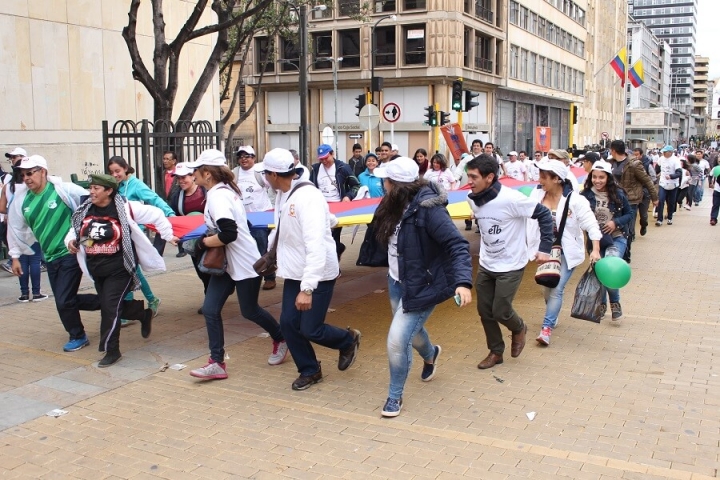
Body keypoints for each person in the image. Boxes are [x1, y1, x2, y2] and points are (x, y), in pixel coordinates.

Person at [371, 157, 472, 417]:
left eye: (385, 180)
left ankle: (394, 396)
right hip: (397, 281)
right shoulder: (391, 204)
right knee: (412, 334)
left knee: (396, 340)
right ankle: (431, 353)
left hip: (424, 285)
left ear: (395, 185)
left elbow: (457, 245)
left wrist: (462, 282)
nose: (382, 184)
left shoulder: (429, 209)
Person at [260, 148, 361, 391]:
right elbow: (324, 221)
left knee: (310, 328)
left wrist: (307, 288)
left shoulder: (308, 197)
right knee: (288, 323)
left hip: (318, 274)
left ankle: (347, 340)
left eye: (265, 173)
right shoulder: (284, 195)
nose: (263, 177)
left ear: (273, 174)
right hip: (295, 270)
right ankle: (310, 369)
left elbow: (315, 245)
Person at [186, 149, 289, 381]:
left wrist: (201, 243)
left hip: (244, 263)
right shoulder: (221, 192)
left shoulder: (218, 196)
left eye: (196, 170)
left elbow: (229, 233)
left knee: (249, 310)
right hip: (226, 264)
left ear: (207, 174)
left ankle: (281, 338)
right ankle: (216, 362)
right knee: (211, 310)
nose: (193, 174)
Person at [66, 174, 178, 367]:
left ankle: (112, 350)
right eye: (90, 188)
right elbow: (83, 234)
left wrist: (168, 235)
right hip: (96, 269)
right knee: (111, 305)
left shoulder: (125, 208)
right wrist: (72, 242)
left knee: (109, 309)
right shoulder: (84, 211)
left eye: (96, 188)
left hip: (120, 268)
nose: (91, 192)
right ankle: (142, 314)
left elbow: (157, 214)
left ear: (109, 191)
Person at [465, 154, 554, 369]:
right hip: (487, 263)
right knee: (485, 311)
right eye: (468, 176)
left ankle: (519, 327)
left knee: (501, 310)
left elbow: (544, 215)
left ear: (490, 177)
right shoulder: (472, 198)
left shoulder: (511, 198)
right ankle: (496, 352)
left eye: (474, 177)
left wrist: (544, 248)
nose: (469, 181)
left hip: (511, 264)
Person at [7, 155, 101, 352]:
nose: (26, 178)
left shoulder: (63, 190)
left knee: (63, 300)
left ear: (43, 171)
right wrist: (15, 256)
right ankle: (118, 304)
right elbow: (15, 228)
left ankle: (78, 335)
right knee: (66, 299)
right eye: (23, 174)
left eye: (30, 173)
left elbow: (90, 201)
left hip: (70, 252)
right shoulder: (22, 200)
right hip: (49, 256)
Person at [526, 161, 601, 345]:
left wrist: (596, 250)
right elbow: (523, 215)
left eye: (544, 176)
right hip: (544, 250)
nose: (540, 179)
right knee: (546, 287)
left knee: (556, 289)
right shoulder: (536, 194)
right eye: (540, 175)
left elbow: (591, 225)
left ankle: (546, 328)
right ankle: (553, 311)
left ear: (557, 179)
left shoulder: (575, 200)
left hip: (567, 252)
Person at [108, 156, 175, 318]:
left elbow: (153, 198)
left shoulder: (135, 185)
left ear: (125, 168)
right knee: (131, 270)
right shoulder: (113, 186)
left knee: (129, 270)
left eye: (117, 171)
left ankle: (128, 309)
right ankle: (147, 301)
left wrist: (170, 215)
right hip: (118, 235)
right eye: (111, 172)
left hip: (133, 235)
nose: (115, 175)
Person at [581, 160, 634, 322]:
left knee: (611, 267)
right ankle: (602, 304)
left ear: (608, 178)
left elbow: (630, 214)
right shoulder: (585, 195)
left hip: (617, 238)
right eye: (595, 177)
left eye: (601, 177)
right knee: (600, 272)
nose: (598, 180)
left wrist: (615, 222)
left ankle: (615, 303)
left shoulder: (617, 194)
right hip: (595, 241)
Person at [232, 145, 277, 290]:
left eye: (247, 156)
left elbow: (275, 188)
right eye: (241, 156)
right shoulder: (234, 174)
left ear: (254, 158)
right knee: (243, 248)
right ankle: (249, 276)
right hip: (242, 218)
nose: (244, 159)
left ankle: (269, 277)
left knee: (262, 246)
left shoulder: (260, 174)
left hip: (260, 217)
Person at [167, 163, 210, 311]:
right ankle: (210, 296)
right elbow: (174, 218)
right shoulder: (176, 197)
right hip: (191, 241)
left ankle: (211, 300)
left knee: (211, 266)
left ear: (193, 176)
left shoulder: (206, 192)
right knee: (201, 270)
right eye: (178, 178)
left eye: (184, 177)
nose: (181, 181)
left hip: (210, 237)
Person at [608, 140, 658, 261]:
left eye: (611, 150)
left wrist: (654, 198)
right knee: (616, 227)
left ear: (613, 150)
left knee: (628, 229)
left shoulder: (634, 164)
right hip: (615, 199)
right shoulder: (610, 163)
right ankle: (618, 251)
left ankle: (626, 255)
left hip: (631, 201)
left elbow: (647, 181)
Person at [310, 144, 360, 261]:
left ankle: (334, 266)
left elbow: (356, 185)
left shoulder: (343, 168)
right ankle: (337, 251)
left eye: (326, 158)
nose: (324, 161)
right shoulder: (315, 169)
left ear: (332, 154)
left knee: (333, 237)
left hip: (338, 207)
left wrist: (348, 196)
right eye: (321, 159)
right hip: (320, 208)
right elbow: (310, 186)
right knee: (321, 236)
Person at [160, 151, 182, 256]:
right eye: (164, 158)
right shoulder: (162, 173)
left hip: (176, 202)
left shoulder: (179, 174)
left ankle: (182, 249)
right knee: (161, 224)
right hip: (165, 202)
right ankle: (158, 250)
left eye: (168, 159)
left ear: (174, 161)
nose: (165, 161)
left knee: (179, 225)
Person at [655, 145, 682, 226]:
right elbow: (657, 168)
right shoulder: (661, 159)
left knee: (671, 202)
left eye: (665, 152)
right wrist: (657, 174)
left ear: (670, 152)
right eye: (663, 152)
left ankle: (670, 217)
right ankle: (659, 219)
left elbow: (679, 173)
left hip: (673, 184)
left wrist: (671, 176)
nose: (663, 153)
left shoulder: (676, 160)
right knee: (661, 200)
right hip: (663, 183)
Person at [632, 148, 656, 236]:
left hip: (644, 193)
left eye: (637, 155)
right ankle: (632, 233)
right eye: (634, 155)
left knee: (643, 214)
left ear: (641, 155)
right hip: (633, 193)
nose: (635, 157)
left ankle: (644, 225)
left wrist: (645, 185)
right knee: (632, 214)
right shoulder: (629, 164)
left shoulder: (647, 164)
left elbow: (653, 178)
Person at [709, 160, 720, 225]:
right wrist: (710, 183)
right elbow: (710, 175)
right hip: (717, 190)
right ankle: (713, 218)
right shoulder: (716, 168)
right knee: (716, 204)